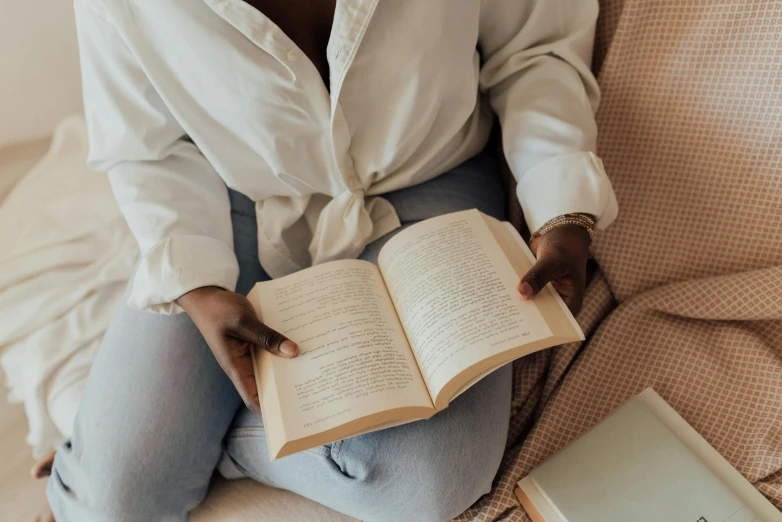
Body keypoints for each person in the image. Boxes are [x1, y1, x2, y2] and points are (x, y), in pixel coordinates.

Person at [38, 1, 618, 520]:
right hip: (226, 200)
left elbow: (535, 52)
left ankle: (200, 449)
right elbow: (147, 148)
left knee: (428, 482)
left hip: (429, 177)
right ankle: (135, 453)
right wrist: (195, 288)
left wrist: (564, 209)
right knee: (109, 506)